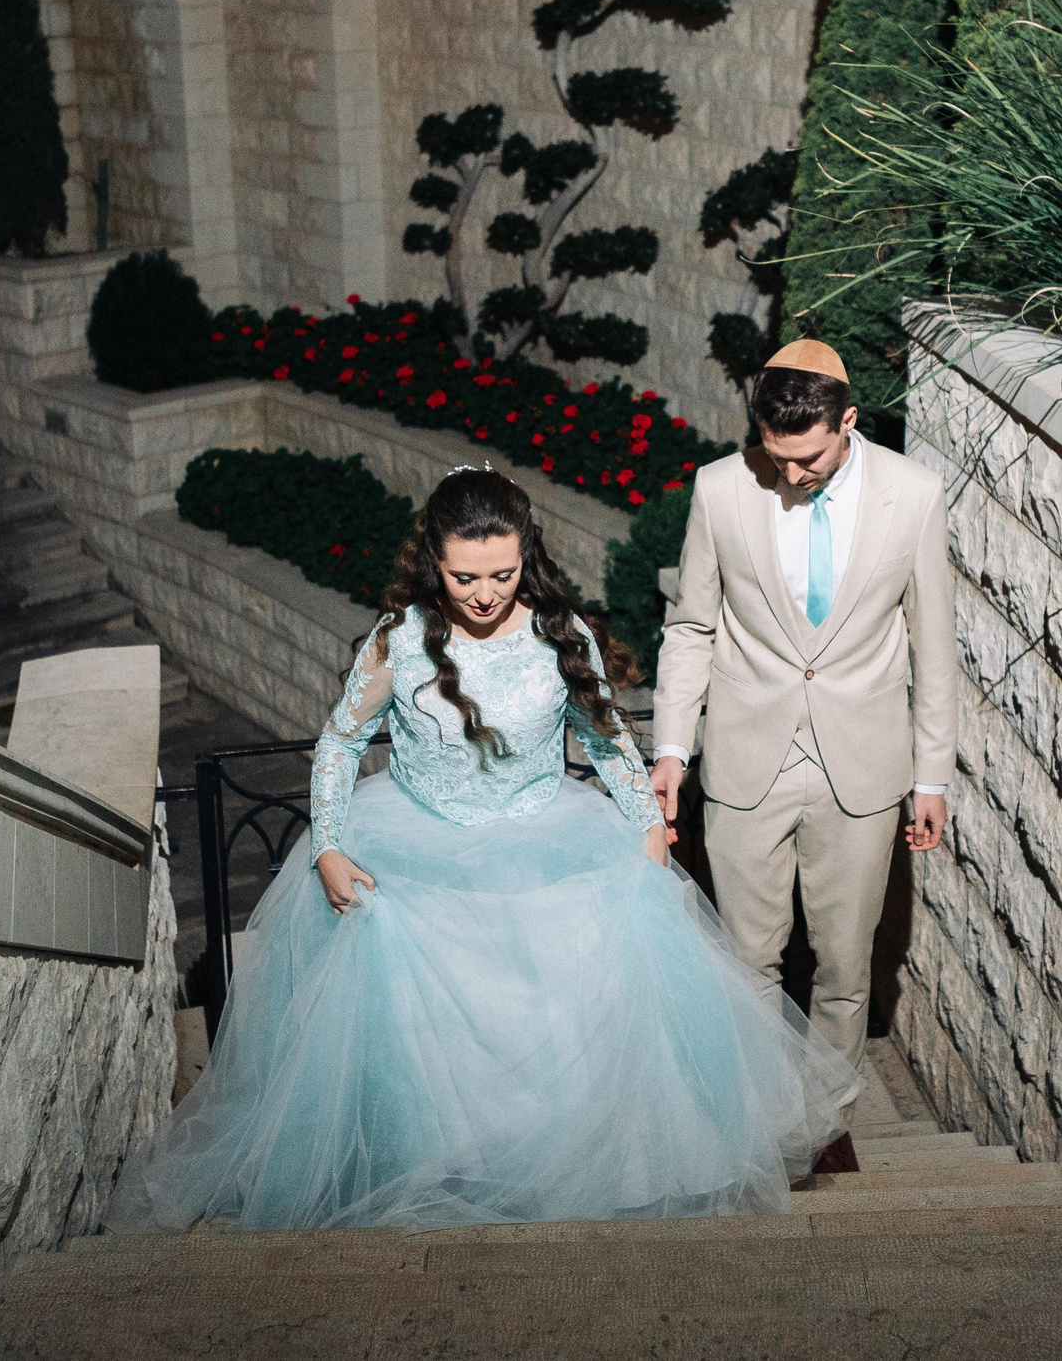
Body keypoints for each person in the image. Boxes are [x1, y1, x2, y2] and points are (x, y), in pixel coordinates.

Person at [111, 464, 858, 1233]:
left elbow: (606, 742)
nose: (484, 593)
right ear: (432, 559)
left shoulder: (559, 635)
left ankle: (562, 1168)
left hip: (548, 847)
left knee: (550, 1026)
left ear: (524, 554)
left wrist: (646, 827)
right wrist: (327, 844)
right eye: (464, 576)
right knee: (429, 1045)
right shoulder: (399, 641)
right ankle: (448, 1171)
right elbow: (340, 741)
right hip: (419, 855)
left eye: (502, 573)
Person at [649, 339, 954, 1175]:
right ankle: (762, 1123)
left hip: (863, 768)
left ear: (847, 421)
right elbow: (692, 627)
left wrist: (931, 776)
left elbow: (934, 647)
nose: (787, 475)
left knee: (845, 967)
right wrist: (672, 746)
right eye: (773, 455)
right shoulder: (720, 488)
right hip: (746, 761)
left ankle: (827, 1119)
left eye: (807, 458)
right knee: (748, 961)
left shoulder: (915, 494)